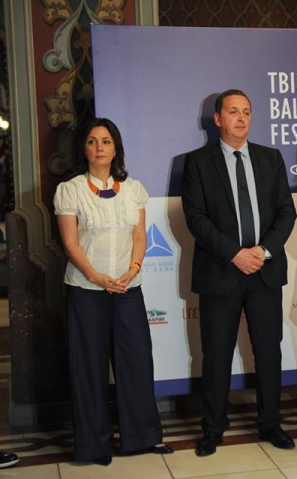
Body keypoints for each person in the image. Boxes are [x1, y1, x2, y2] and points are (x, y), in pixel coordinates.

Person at [182, 89, 297, 456]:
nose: (242, 118)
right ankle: (213, 428)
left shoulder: (270, 158)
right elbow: (196, 218)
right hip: (221, 272)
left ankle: (271, 423)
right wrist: (234, 254)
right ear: (218, 119)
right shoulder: (197, 162)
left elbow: (286, 212)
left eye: (246, 111)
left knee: (268, 352)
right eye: (233, 111)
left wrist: (262, 251)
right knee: (216, 354)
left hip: (265, 271)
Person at [54, 118, 172, 466]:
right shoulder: (71, 189)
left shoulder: (133, 189)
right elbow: (70, 243)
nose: (99, 147)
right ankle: (94, 446)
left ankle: (142, 437)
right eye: (92, 141)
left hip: (127, 288)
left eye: (106, 141)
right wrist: (97, 277)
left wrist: (132, 270)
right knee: (88, 367)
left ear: (116, 148)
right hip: (86, 289)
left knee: (136, 361)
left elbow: (139, 236)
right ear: (84, 149)